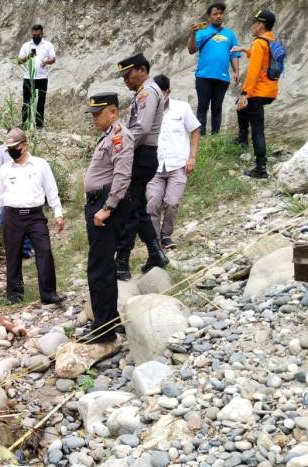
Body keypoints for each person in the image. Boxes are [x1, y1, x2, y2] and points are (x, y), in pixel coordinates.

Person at [0, 127, 65, 305]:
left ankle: (49, 293)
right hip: (12, 216)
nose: (12, 151)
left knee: (44, 252)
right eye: (9, 148)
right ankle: (14, 295)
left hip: (35, 215)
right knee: (12, 255)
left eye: (15, 147)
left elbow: (51, 190)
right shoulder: (5, 170)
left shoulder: (40, 165)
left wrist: (58, 213)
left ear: (25, 145)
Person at [78, 93, 134, 344]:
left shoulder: (120, 137)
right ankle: (108, 319)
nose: (94, 119)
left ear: (113, 111)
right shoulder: (109, 136)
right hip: (97, 204)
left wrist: (107, 207)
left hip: (105, 206)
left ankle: (103, 328)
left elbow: (122, 176)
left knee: (99, 267)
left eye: (97, 114)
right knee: (101, 265)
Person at [115, 53, 169, 280]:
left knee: (129, 208)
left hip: (141, 154)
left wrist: (123, 150)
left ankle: (122, 262)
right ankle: (156, 252)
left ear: (141, 70)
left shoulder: (148, 92)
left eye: (128, 75)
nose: (126, 80)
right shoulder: (142, 93)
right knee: (137, 207)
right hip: (142, 154)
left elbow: (142, 128)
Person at [146, 74, 201, 249]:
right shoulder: (146, 112)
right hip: (154, 167)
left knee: (171, 202)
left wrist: (192, 157)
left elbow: (195, 130)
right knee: (152, 203)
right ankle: (154, 241)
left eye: (159, 93)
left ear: (168, 92)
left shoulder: (182, 108)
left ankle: (166, 235)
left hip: (178, 164)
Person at [232, 9, 280, 179]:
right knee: (240, 107)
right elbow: (264, 58)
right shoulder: (272, 39)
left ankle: (261, 167)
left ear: (262, 24)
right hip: (270, 89)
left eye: (255, 22)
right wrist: (245, 49)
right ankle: (242, 139)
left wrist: (245, 93)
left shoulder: (259, 42)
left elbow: (253, 71)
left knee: (257, 129)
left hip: (258, 91)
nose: (252, 25)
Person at [187, 2, 241, 136]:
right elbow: (191, 50)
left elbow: (234, 54)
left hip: (222, 77)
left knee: (217, 108)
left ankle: (215, 137)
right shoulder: (202, 32)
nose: (219, 16)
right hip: (204, 76)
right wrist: (193, 35)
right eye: (215, 14)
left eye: (221, 13)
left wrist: (236, 72)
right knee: (202, 107)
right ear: (209, 17)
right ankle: (201, 136)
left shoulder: (230, 34)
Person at [0, 130, 35, 259]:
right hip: (6, 193)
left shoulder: (26, 154)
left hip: (25, 192)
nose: (13, 149)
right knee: (6, 221)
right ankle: (14, 250)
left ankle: (26, 250)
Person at [17, 24, 56, 129]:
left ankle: (39, 126)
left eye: (38, 35)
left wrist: (47, 61)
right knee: (26, 103)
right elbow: (19, 61)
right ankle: (25, 125)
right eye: (33, 35)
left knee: (40, 103)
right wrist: (28, 56)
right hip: (28, 78)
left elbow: (53, 59)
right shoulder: (26, 45)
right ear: (31, 34)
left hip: (42, 78)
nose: (35, 37)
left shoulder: (48, 45)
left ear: (42, 34)